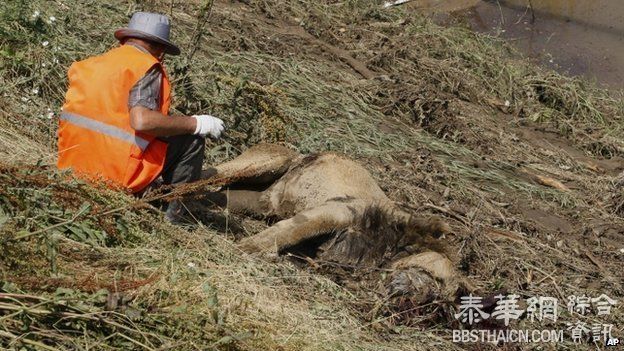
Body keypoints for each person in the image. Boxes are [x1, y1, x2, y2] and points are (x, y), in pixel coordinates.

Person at [57, 12, 224, 221]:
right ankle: (172, 222)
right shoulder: (145, 66)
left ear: (125, 39)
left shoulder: (90, 64)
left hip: (71, 167)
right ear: (161, 49)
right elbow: (142, 121)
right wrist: (195, 123)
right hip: (114, 175)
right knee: (191, 139)